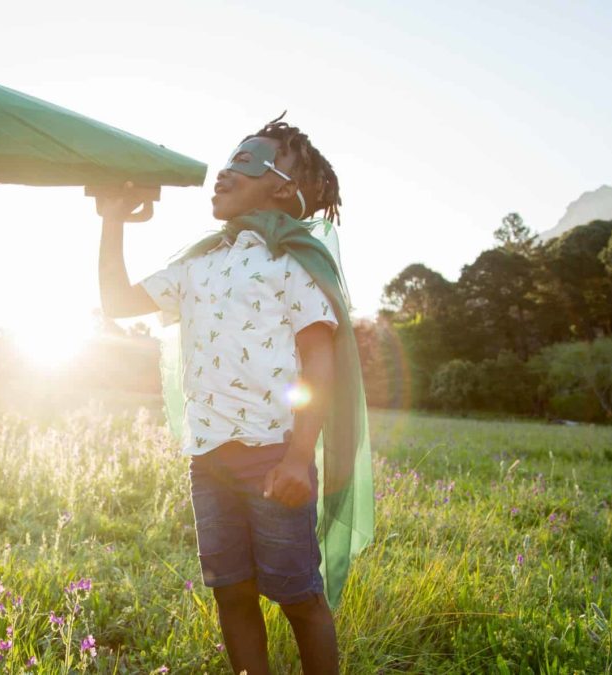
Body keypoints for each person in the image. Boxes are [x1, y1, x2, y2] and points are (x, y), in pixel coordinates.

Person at [97, 114, 369, 675]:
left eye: (245, 161)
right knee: (231, 592)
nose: (224, 170)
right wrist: (112, 221)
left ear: (282, 188)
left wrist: (299, 457)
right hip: (210, 459)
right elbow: (119, 303)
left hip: (273, 457)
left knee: (298, 597)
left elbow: (319, 361)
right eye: (229, 157)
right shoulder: (198, 263)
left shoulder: (292, 263)